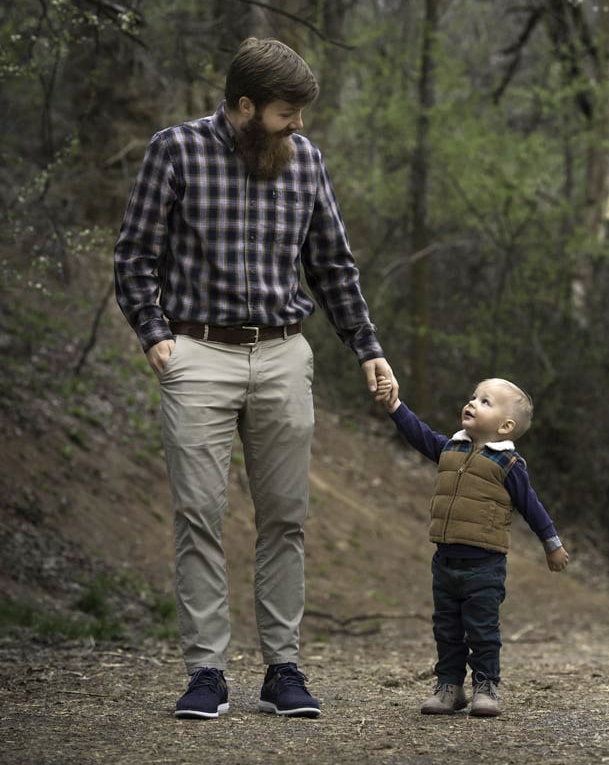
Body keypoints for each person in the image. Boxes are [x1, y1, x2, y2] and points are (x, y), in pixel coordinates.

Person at [114, 37, 398, 720]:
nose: (296, 123)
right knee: (199, 516)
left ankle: (283, 670)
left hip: (282, 355)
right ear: (244, 106)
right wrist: (156, 337)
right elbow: (135, 255)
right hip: (197, 354)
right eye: (285, 111)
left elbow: (332, 266)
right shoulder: (175, 150)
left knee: (285, 518)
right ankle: (207, 672)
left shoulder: (305, 163)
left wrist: (367, 347)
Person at [375, 375, 568, 717]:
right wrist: (395, 406)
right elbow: (418, 435)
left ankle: (485, 686)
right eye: (473, 397)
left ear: (506, 426)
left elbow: (532, 506)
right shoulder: (451, 448)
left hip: (485, 565)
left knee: (482, 630)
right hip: (445, 561)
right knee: (446, 629)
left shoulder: (507, 465)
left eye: (485, 402)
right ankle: (450, 687)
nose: (472, 403)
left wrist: (551, 544)